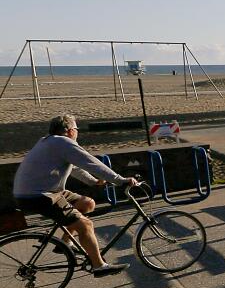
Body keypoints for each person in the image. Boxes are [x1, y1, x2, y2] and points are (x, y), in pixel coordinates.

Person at [12, 114, 140, 277]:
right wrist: (120, 180)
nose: (77, 132)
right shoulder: (63, 142)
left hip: (43, 190)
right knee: (85, 225)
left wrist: (93, 182)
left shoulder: (48, 141)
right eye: (76, 129)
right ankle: (99, 266)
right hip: (40, 195)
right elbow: (92, 162)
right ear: (71, 131)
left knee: (87, 203)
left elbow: (75, 167)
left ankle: (65, 242)